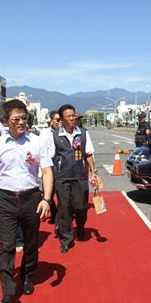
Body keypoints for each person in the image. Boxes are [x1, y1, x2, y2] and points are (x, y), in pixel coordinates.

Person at [0, 99, 53, 303]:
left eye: (24, 118)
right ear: (6, 121)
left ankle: (28, 275)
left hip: (31, 198)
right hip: (5, 200)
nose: (21, 122)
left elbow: (47, 171)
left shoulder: (37, 142)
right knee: (6, 246)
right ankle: (8, 292)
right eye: (16, 119)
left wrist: (46, 199)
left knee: (31, 243)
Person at [48, 104, 98, 253]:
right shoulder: (55, 136)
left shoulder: (83, 133)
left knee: (81, 206)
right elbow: (49, 158)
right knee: (64, 208)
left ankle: (81, 227)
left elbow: (88, 154)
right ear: (62, 120)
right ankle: (66, 239)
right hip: (61, 177)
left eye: (73, 116)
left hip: (79, 176)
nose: (71, 119)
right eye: (68, 116)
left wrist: (94, 172)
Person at [39, 110, 61, 225]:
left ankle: (60, 219)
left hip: (62, 165)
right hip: (49, 165)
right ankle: (54, 212)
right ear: (51, 121)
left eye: (61, 119)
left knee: (62, 193)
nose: (60, 122)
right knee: (49, 192)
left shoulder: (65, 132)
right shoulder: (45, 133)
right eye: (57, 120)